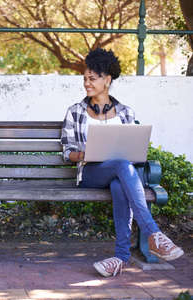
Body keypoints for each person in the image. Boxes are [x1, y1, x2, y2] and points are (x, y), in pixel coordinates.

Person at [61, 48, 184, 277]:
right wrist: (83, 154)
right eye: (85, 79)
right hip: (90, 174)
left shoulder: (126, 113)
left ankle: (120, 257)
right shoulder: (75, 111)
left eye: (92, 78)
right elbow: (66, 152)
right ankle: (153, 234)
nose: (86, 83)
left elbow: (134, 153)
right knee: (121, 165)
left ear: (107, 80)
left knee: (121, 179)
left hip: (120, 175)